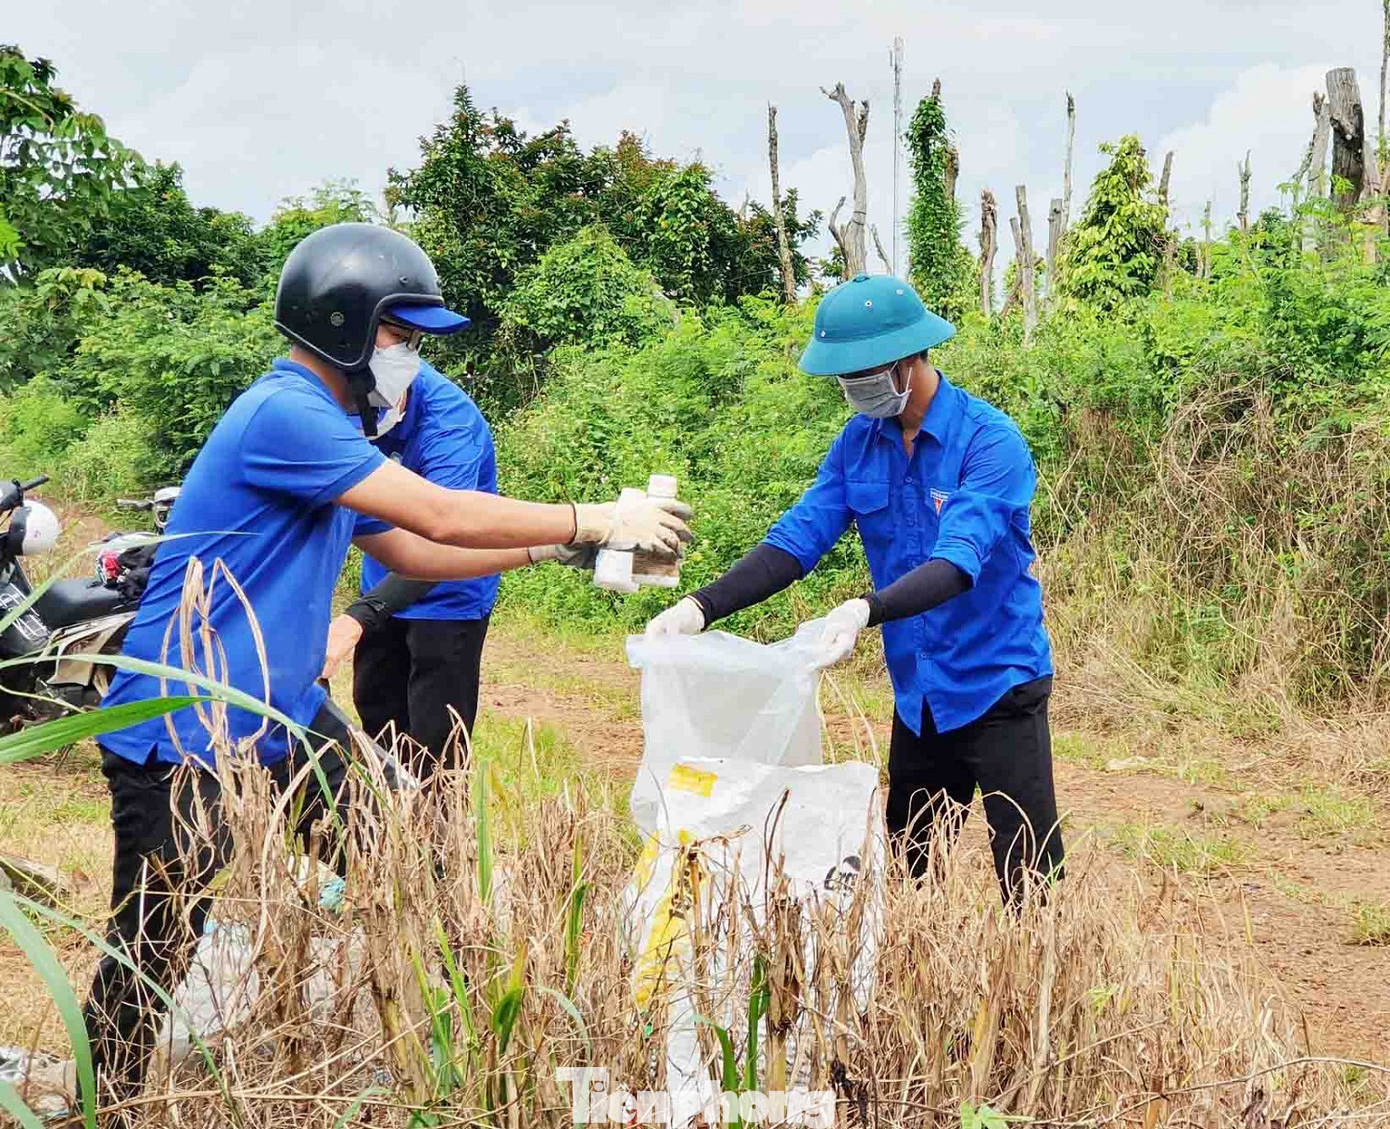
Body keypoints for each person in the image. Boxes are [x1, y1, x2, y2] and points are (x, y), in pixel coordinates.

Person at [82, 222, 691, 1116]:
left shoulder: (330, 431)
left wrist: (546, 551)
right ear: (345, 328)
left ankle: (454, 1052)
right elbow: (441, 512)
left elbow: (413, 549)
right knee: (155, 945)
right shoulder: (285, 414)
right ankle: (103, 1101)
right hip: (187, 723)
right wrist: (588, 517)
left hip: (285, 715)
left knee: (402, 857)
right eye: (401, 335)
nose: (410, 357)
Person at [645, 273, 1060, 904]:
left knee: (1030, 879)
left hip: (997, 681)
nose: (852, 387)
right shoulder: (859, 444)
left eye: (862, 372)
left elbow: (957, 564)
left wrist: (865, 609)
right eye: (843, 376)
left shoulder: (988, 442)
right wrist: (699, 607)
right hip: (919, 692)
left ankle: (1035, 964)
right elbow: (796, 542)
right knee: (909, 867)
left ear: (907, 360)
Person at [318, 357, 501, 774]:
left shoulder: (450, 426)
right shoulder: (341, 397)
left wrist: (356, 619)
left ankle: (436, 817)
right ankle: (388, 813)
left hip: (450, 594)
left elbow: (444, 539)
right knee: (377, 719)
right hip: (382, 581)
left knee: (437, 746)